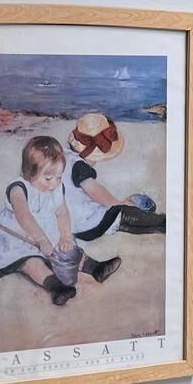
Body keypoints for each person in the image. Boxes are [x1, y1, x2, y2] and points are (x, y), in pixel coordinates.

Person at [59, 113, 167, 287]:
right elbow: (95, 191)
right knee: (121, 214)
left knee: (117, 222)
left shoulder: (61, 158)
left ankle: (148, 218)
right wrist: (118, 203)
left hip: (72, 227)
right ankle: (161, 221)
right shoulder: (79, 166)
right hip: (88, 221)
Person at [0, 136, 92, 306]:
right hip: (20, 237)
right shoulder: (18, 189)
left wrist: (65, 236)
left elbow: (62, 212)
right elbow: (23, 216)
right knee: (31, 263)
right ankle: (55, 286)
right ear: (30, 173)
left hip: (46, 233)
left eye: (58, 177)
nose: (54, 184)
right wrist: (40, 239)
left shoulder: (57, 187)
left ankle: (93, 267)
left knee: (67, 250)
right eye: (48, 178)